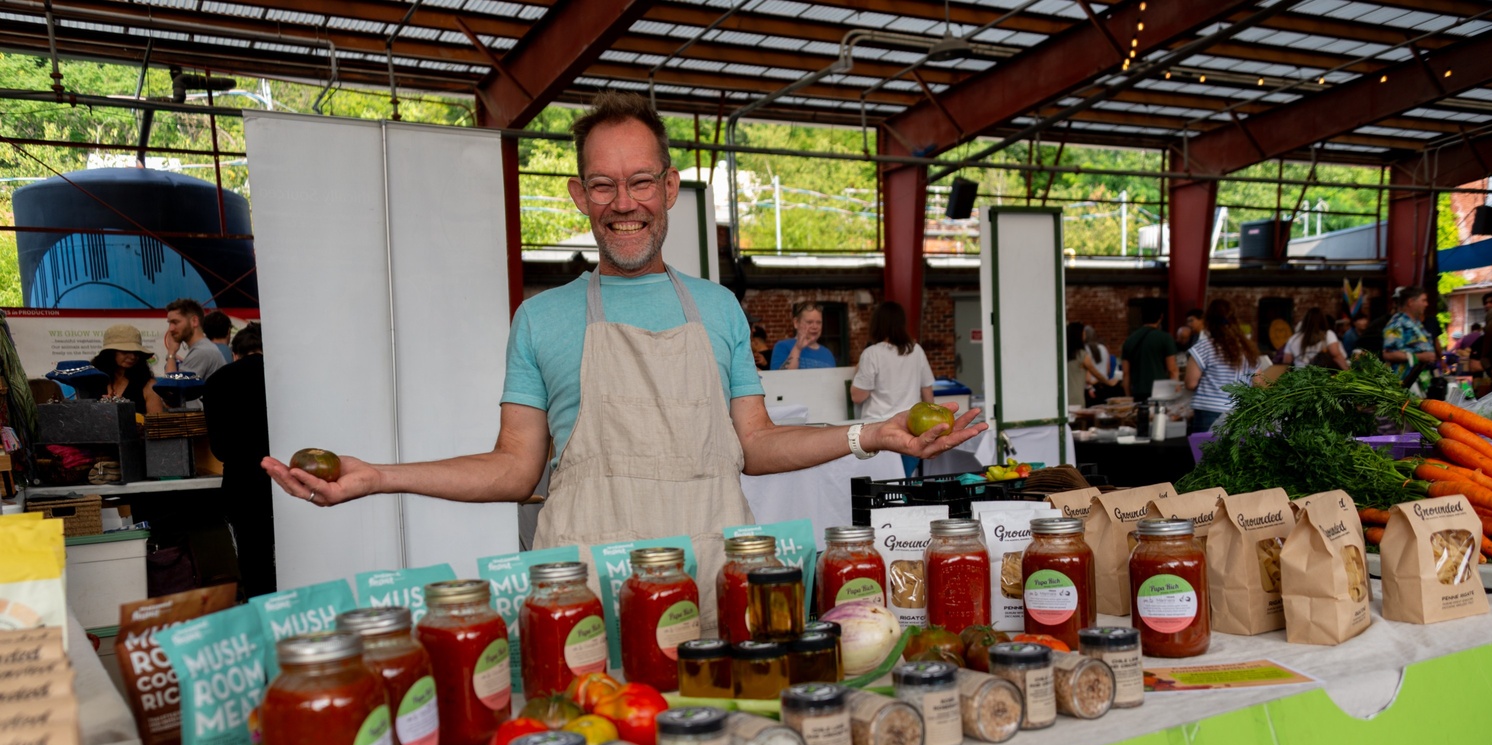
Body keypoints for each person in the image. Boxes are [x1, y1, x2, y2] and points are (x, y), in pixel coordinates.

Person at [262, 91, 983, 628]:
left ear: (669, 189)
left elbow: (755, 446)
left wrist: (873, 437)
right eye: (602, 185)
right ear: (580, 196)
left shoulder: (720, 309)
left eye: (641, 181)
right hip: (585, 594)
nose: (623, 202)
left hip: (712, 583)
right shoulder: (541, 317)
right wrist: (379, 477)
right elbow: (516, 468)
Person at [204, 322, 275, 597]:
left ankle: (262, 614)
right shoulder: (284, 376)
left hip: (241, 482)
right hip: (288, 479)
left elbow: (219, 448)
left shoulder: (216, 382)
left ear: (235, 353)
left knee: (253, 558)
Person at [851, 301, 934, 476]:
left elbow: (857, 396)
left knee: (882, 484)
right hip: (911, 428)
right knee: (905, 481)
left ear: (876, 324)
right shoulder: (916, 350)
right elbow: (927, 393)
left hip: (879, 430)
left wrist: (857, 370)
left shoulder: (872, 353)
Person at [1185, 299, 1258, 435]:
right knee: (1234, 454)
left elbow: (1190, 383)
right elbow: (1258, 383)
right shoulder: (1249, 349)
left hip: (1209, 409)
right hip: (1241, 411)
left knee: (1206, 454)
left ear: (1208, 321)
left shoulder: (1204, 347)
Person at [91, 324, 164, 416]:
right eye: (125, 351)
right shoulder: (92, 383)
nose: (132, 357)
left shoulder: (148, 385)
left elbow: (156, 424)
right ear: (110, 353)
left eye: (136, 352)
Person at [1119, 302, 1178, 402]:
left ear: (1141, 317)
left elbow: (1126, 373)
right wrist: (1176, 392)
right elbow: (1172, 370)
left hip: (1137, 392)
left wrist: (1128, 397)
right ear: (1161, 317)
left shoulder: (1129, 340)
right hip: (1161, 392)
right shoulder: (1165, 338)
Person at [1382, 286, 1436, 387]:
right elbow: (1388, 354)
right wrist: (1420, 357)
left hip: (1419, 381)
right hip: (1403, 383)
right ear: (1411, 302)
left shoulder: (1416, 323)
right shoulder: (1396, 323)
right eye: (1423, 300)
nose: (1426, 304)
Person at [163, 298, 226, 381]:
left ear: (194, 321)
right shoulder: (204, 347)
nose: (171, 328)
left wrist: (171, 353)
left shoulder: (201, 352)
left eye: (175, 322)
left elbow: (171, 388)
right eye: (169, 323)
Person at [770, 302, 837, 369]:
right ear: (796, 323)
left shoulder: (828, 354)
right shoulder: (782, 346)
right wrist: (797, 348)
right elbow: (781, 378)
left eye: (819, 322)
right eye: (809, 322)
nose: (815, 327)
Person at [1280, 306, 1348, 370]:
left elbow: (1286, 362)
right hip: (1322, 376)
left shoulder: (1293, 338)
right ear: (1323, 320)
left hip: (1300, 377)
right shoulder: (1328, 335)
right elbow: (1336, 355)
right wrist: (1348, 372)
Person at [1082, 324, 1122, 403]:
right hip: (1104, 386)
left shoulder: (1084, 350)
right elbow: (1108, 370)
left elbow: (1086, 375)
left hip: (1090, 388)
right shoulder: (1103, 348)